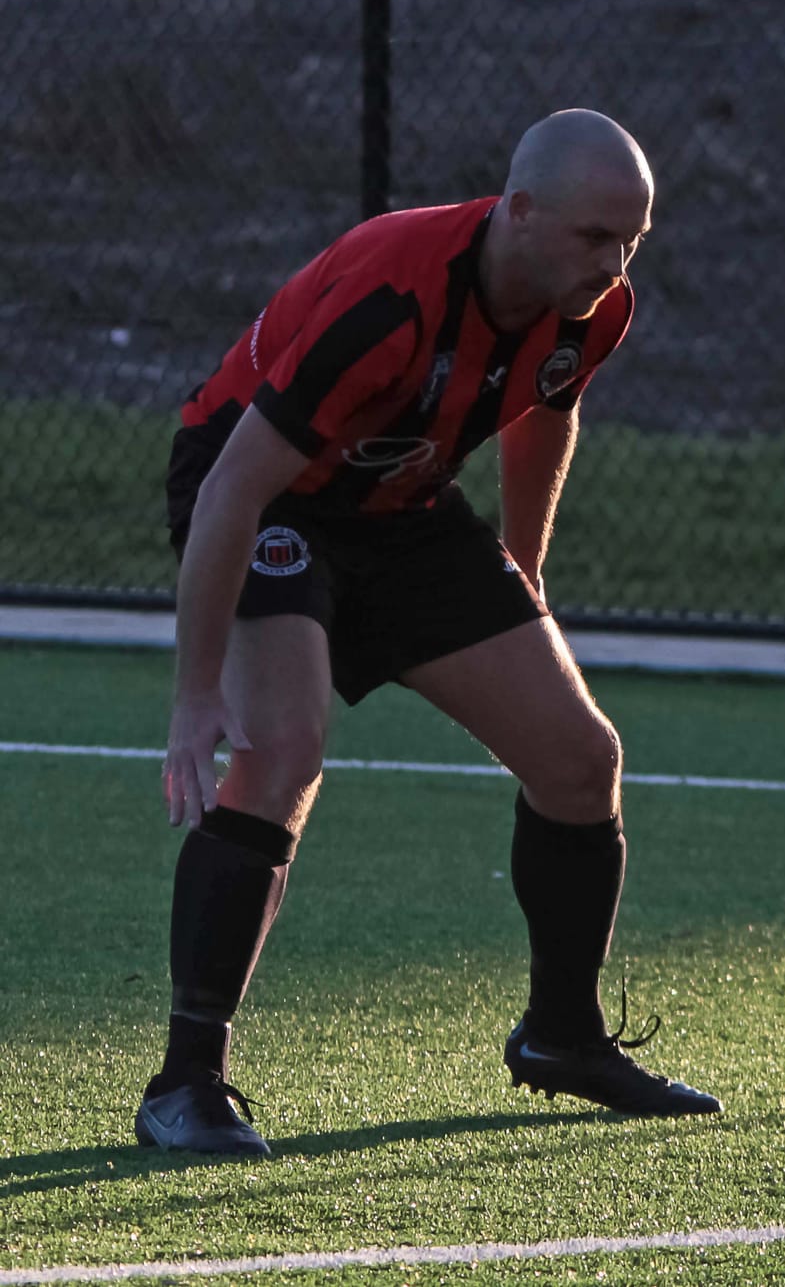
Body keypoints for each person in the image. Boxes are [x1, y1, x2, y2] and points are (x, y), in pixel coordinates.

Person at [141, 109, 721, 1156]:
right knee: (281, 750)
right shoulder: (391, 299)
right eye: (596, 236)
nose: (616, 263)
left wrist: (524, 573)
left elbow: (547, 408)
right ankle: (185, 1084)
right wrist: (194, 693)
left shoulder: (591, 308)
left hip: (401, 507)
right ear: (521, 211)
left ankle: (561, 1035)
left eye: (632, 239)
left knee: (580, 759)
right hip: (269, 497)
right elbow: (232, 487)